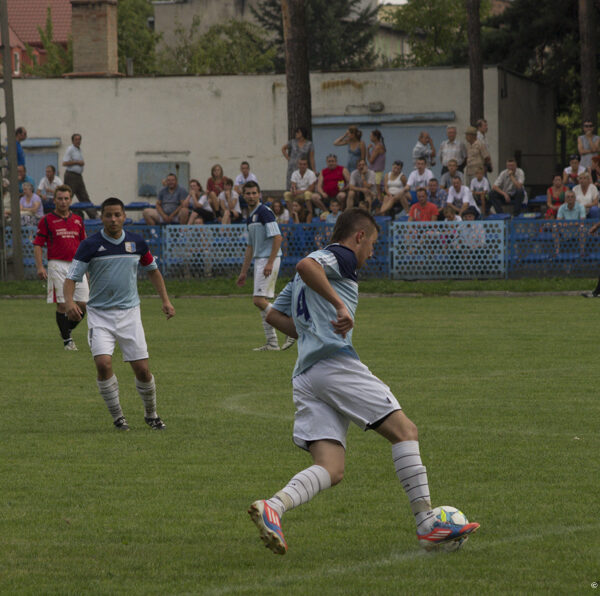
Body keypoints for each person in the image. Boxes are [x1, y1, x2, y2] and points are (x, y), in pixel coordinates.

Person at [248, 208, 479, 555]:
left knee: (331, 468)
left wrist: (292, 319)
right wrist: (340, 305)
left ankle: (273, 506)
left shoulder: (305, 281)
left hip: (307, 375)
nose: (372, 252)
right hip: (334, 365)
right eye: (372, 243)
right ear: (359, 237)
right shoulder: (341, 256)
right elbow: (306, 265)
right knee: (405, 431)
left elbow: (280, 317)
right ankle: (427, 524)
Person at [64, 197, 175, 431]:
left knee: (142, 370)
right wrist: (69, 302)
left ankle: (151, 414)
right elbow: (71, 277)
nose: (113, 219)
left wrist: (165, 300)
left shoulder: (137, 242)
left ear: (125, 217)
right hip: (100, 315)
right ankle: (118, 417)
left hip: (129, 314)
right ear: (101, 218)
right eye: (108, 215)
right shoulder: (90, 245)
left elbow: (153, 271)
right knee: (103, 364)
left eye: (117, 215)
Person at [236, 181, 295, 352]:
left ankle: (290, 327)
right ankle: (272, 343)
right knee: (261, 302)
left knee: (258, 300)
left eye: (254, 193)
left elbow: (278, 237)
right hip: (260, 260)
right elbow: (250, 246)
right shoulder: (250, 217)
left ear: (259, 194)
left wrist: (269, 262)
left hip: (268, 260)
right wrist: (243, 272)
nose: (251, 196)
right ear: (243, 195)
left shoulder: (264, 212)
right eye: (248, 193)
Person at [33, 184, 89, 351]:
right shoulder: (46, 220)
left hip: (77, 264)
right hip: (57, 264)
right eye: (60, 199)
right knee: (63, 305)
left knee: (84, 304)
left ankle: (66, 329)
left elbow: (84, 244)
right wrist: (40, 267)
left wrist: (86, 266)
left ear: (70, 200)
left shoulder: (78, 220)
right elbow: (38, 244)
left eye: (66, 198)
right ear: (54, 200)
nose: (63, 202)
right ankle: (67, 341)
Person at [62, 133, 97, 218]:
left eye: (79, 139)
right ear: (72, 141)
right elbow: (64, 163)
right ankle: (62, 215)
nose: (78, 141)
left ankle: (94, 216)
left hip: (78, 176)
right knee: (67, 196)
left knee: (84, 196)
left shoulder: (79, 150)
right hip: (71, 176)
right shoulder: (70, 149)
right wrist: (77, 162)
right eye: (76, 139)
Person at [554, 190, 586, 257]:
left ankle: (582, 252)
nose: (570, 198)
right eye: (568, 197)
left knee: (582, 228)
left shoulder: (581, 207)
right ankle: (557, 252)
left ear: (575, 198)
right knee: (555, 228)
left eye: (572, 197)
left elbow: (582, 221)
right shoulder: (561, 207)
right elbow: (558, 221)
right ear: (565, 199)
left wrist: (569, 224)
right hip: (565, 230)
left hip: (577, 230)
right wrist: (564, 225)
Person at [367, 130, 386, 199]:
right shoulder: (377, 146)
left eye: (371, 136)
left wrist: (368, 150)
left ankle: (380, 202)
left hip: (376, 172)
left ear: (375, 137)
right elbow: (370, 160)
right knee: (376, 191)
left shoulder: (377, 147)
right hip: (375, 172)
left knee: (378, 191)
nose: (370, 137)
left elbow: (371, 161)